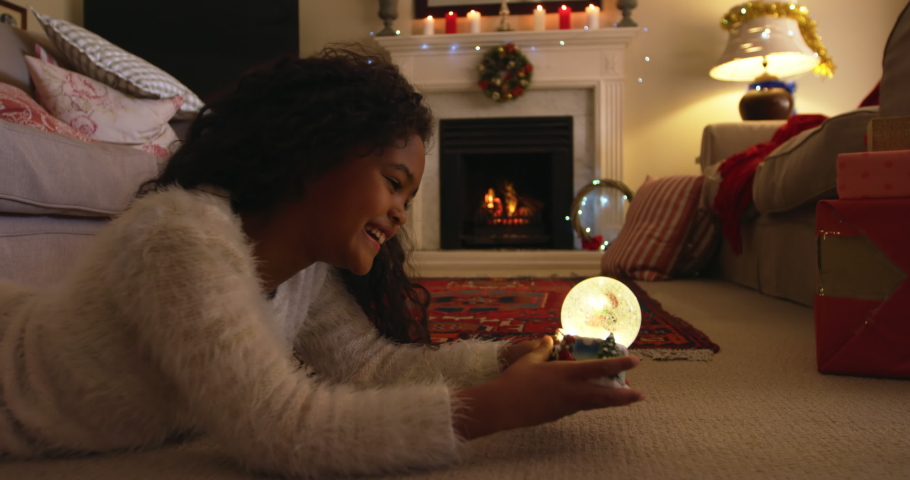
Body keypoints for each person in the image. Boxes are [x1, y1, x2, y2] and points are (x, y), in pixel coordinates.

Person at [0, 47, 645, 477]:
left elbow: (370, 366)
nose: (401, 214)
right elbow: (281, 428)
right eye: (394, 182)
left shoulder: (304, 270)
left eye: (410, 195)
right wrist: (498, 407)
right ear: (315, 153)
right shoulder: (180, 238)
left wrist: (503, 359)